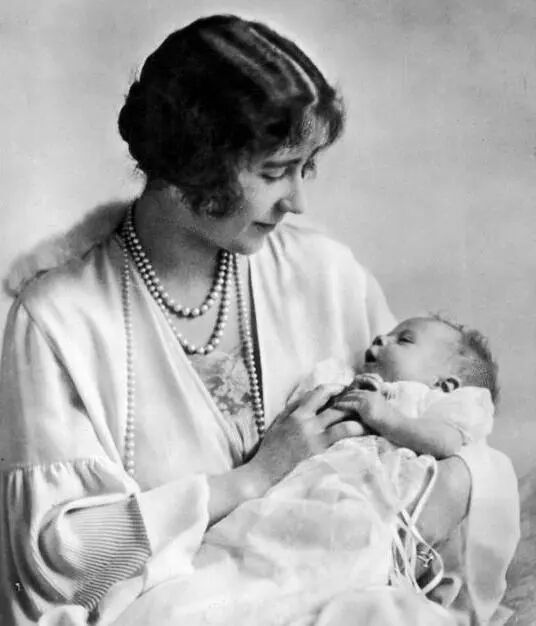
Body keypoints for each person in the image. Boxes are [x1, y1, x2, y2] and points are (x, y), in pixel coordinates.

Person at [0, 14, 518, 626]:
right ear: (193, 165)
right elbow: (60, 562)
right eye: (274, 172)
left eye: (306, 168)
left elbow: (446, 445)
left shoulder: (324, 274)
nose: (297, 201)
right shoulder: (59, 322)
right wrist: (255, 478)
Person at [323, 315, 498, 459]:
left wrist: (387, 418)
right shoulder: (354, 380)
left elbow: (447, 442)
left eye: (404, 340)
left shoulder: (434, 404)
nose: (380, 338)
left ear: (442, 384)